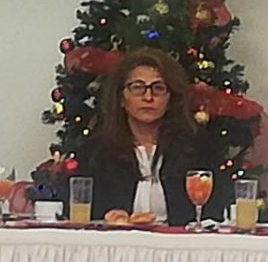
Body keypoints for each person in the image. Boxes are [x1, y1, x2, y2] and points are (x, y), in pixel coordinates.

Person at [78, 48, 229, 226]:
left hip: (182, 242)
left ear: (170, 99)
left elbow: (213, 213)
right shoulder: (96, 150)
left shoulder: (199, 147)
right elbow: (83, 214)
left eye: (158, 88)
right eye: (137, 88)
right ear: (121, 98)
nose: (148, 97)